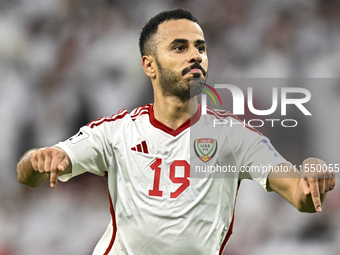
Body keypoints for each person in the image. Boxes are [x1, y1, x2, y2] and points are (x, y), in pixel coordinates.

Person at [17, 8, 336, 255]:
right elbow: (30, 174)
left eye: (200, 47)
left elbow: (301, 196)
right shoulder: (115, 132)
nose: (195, 56)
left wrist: (313, 179)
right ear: (149, 65)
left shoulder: (235, 137)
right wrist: (37, 160)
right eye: (179, 48)